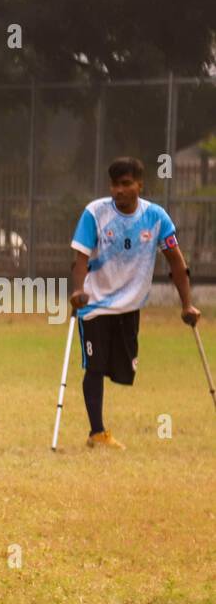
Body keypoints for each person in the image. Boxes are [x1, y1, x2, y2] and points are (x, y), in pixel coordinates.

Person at [69, 156, 201, 449]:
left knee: (123, 370)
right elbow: (79, 260)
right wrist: (78, 291)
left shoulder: (156, 218)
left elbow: (177, 264)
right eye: (115, 184)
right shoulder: (95, 213)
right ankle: (97, 433)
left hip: (129, 307)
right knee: (94, 366)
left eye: (126, 184)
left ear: (140, 184)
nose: (119, 190)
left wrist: (187, 305)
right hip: (95, 305)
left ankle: (99, 430)